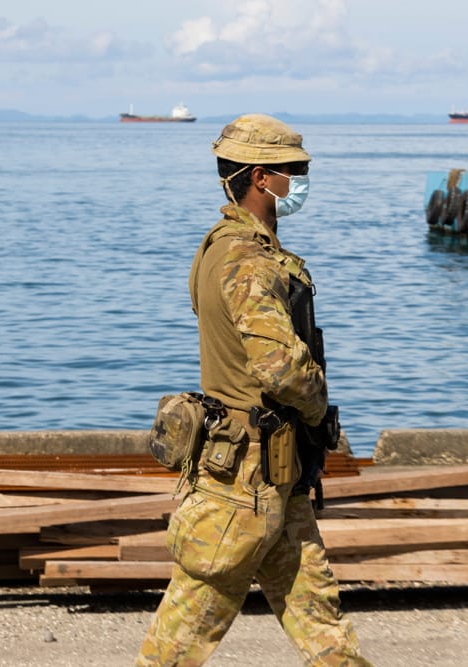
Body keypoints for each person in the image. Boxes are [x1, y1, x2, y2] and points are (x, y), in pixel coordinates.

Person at [137, 114, 371, 666]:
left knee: (320, 619)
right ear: (262, 177)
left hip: (276, 474)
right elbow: (280, 370)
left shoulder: (220, 248)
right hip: (242, 484)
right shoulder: (245, 258)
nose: (303, 179)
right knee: (184, 633)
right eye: (297, 170)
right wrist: (318, 410)